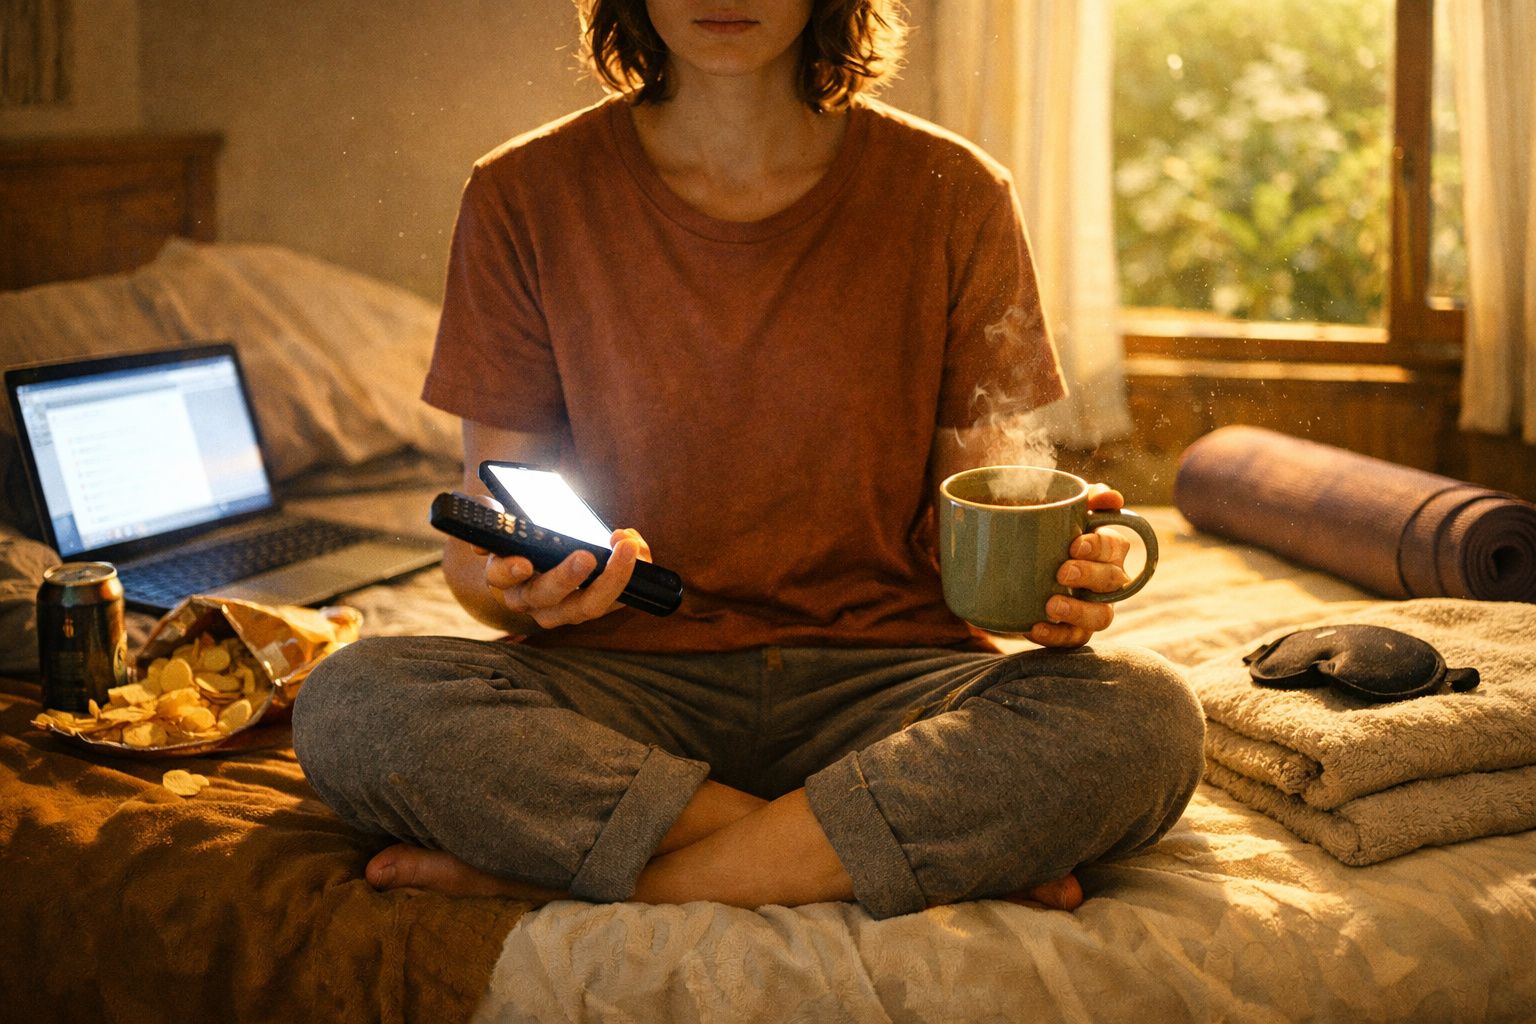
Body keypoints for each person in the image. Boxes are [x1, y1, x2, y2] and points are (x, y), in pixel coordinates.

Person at [292, 0, 1205, 920]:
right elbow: (476, 559)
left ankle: (617, 871)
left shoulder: (955, 191)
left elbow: (981, 526)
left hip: (888, 683)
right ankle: (851, 849)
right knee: (355, 701)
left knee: (1146, 715)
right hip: (618, 684)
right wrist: (523, 592)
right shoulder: (523, 193)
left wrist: (1055, 580)